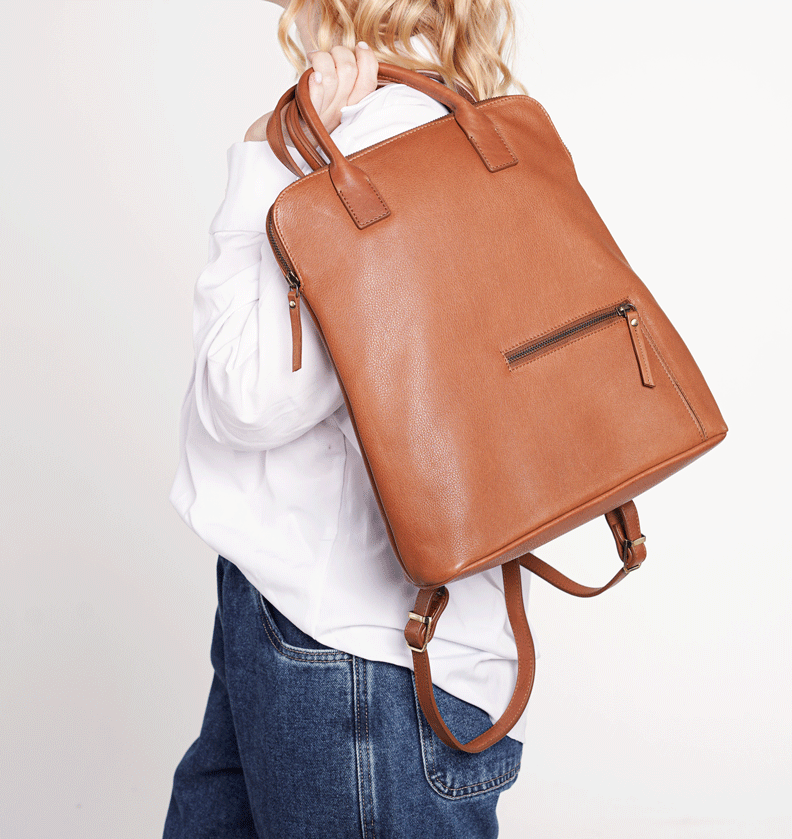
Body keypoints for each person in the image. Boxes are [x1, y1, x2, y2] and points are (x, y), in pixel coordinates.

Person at [163, 1, 532, 836]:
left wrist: (260, 162)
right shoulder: (453, 129)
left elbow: (250, 396)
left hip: (353, 655)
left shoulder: (369, 141)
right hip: (346, 634)